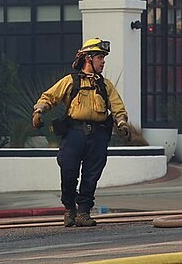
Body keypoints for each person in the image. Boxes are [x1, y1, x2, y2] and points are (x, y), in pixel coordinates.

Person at [32, 37, 130, 227]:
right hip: (74, 133)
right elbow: (49, 97)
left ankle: (83, 212)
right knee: (68, 170)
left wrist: (122, 123)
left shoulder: (105, 85)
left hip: (98, 135)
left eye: (103, 58)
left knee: (91, 175)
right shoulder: (70, 81)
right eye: (100, 57)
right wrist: (39, 111)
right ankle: (70, 208)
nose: (103, 62)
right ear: (88, 58)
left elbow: (118, 108)